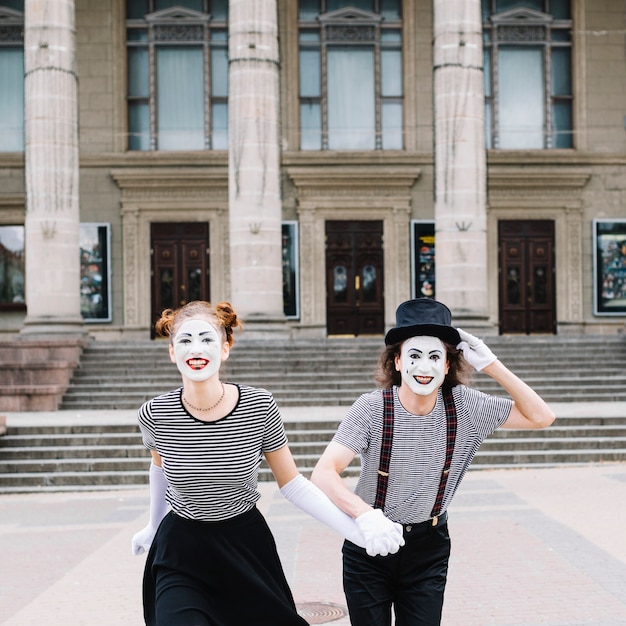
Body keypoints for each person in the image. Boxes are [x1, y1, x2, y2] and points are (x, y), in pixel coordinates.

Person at [130, 300, 405, 626]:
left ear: (226, 348)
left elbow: (292, 484)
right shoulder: (156, 414)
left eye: (206, 339)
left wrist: (357, 528)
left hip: (244, 546)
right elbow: (159, 469)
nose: (196, 348)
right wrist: (153, 524)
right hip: (182, 551)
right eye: (185, 341)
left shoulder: (258, 405)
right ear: (172, 352)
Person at [311, 298, 556, 626]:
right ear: (397, 362)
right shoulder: (371, 409)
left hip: (428, 549)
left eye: (434, 357)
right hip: (369, 543)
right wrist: (365, 516)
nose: (423, 367)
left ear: (447, 366)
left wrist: (492, 364)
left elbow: (542, 417)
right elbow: (324, 473)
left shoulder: (465, 407)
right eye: (414, 356)